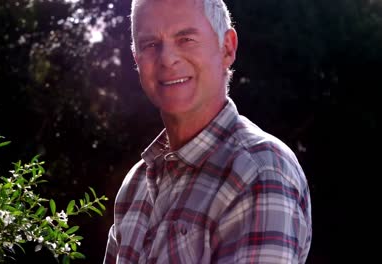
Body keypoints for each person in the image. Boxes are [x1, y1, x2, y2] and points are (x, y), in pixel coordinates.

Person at [104, 0, 312, 263]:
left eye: (186, 39)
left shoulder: (260, 172)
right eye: (150, 44)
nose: (167, 59)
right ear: (137, 59)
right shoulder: (135, 186)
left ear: (227, 48)